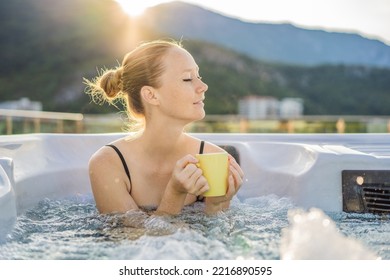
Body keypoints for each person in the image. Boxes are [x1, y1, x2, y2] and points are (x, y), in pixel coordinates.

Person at [84, 39, 244, 215]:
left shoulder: (213, 158)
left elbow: (216, 239)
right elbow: (132, 239)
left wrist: (215, 206)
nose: (203, 87)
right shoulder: (108, 164)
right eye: (187, 78)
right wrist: (174, 194)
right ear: (151, 95)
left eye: (199, 76)